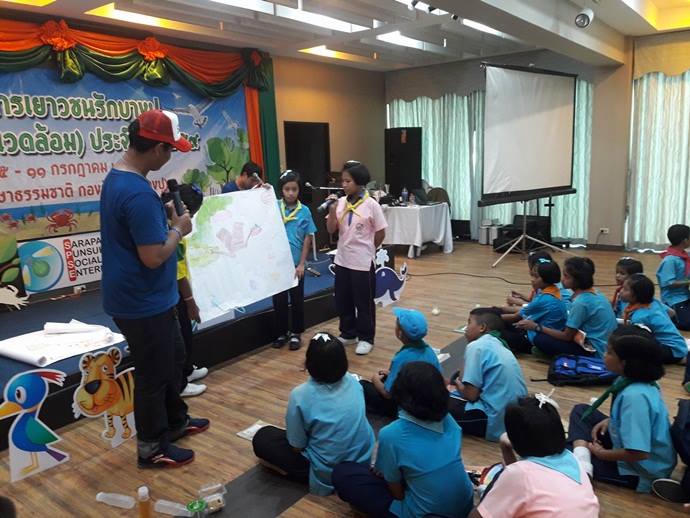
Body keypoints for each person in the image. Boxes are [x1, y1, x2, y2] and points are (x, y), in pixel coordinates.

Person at [100, 109, 209, 468]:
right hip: (141, 302)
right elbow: (153, 256)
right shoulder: (136, 193)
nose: (171, 157)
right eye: (171, 150)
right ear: (158, 148)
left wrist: (164, 221)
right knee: (153, 375)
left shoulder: (119, 179)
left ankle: (175, 422)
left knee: (173, 359)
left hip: (150, 298)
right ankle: (151, 447)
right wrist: (179, 228)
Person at [332, 362, 474, 518]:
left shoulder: (392, 434)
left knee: (343, 473)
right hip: (465, 505)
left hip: (426, 514)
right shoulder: (449, 420)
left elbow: (395, 488)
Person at [252, 332, 374, 495]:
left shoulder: (300, 395)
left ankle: (294, 473)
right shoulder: (353, 381)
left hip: (329, 468)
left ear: (309, 362)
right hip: (362, 457)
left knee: (263, 436)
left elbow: (297, 446)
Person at [568, 325, 677, 493]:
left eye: (609, 352)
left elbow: (639, 453)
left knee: (562, 449)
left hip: (639, 470)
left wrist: (602, 454)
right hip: (629, 445)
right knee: (581, 411)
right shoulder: (636, 380)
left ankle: (584, 468)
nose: (604, 355)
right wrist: (610, 420)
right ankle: (583, 458)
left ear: (625, 363)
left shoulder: (635, 397)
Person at [469, 397, 599, 518]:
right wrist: (506, 448)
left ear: (515, 438)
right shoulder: (571, 458)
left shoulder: (521, 474)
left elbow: (477, 516)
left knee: (497, 480)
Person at [326, 161, 387, 356]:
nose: (343, 185)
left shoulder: (371, 205)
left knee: (364, 302)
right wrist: (331, 211)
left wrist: (369, 249)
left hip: (362, 262)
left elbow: (380, 233)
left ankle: (366, 337)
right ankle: (348, 333)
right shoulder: (340, 203)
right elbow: (331, 229)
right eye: (342, 181)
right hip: (342, 260)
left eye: (348, 181)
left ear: (359, 182)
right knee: (343, 299)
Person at [449, 308, 528, 441]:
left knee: (433, 402)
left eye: (469, 323)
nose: (466, 328)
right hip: (514, 417)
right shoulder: (498, 343)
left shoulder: (477, 346)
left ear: (482, 327)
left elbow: (471, 395)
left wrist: (457, 383)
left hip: (493, 419)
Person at [161, 183, 208, 398]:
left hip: (174, 291)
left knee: (186, 332)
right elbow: (178, 274)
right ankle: (180, 383)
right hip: (173, 293)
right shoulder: (173, 234)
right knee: (179, 337)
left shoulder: (168, 223)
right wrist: (190, 302)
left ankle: (187, 371)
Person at [518, 257, 617, 358]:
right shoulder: (597, 293)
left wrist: (536, 326)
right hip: (605, 346)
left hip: (595, 352)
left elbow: (567, 336)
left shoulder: (581, 302)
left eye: (566, 276)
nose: (562, 279)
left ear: (577, 280)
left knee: (541, 339)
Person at [360, 307, 440, 418]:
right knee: (386, 378)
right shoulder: (429, 351)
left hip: (408, 408)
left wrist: (375, 379)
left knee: (363, 386)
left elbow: (387, 394)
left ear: (400, 333)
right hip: (429, 402)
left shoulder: (401, 357)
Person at [272, 170, 317, 350]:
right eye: (287, 189)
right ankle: (281, 332)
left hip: (295, 265)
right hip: (277, 264)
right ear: (281, 190)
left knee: (297, 300)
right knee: (279, 300)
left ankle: (296, 333)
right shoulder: (273, 207)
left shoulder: (304, 211)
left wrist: (302, 264)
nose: (291, 193)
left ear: (299, 190)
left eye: (294, 189)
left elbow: (307, 238)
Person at [501, 258, 568, 354]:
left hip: (534, 337)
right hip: (542, 330)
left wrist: (491, 316)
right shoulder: (553, 290)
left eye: (536, 277)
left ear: (546, 279)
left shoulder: (545, 298)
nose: (532, 279)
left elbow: (515, 316)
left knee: (496, 331)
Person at [620, 273, 688, 364]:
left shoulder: (639, 317)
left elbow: (639, 341)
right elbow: (672, 313)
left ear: (636, 295)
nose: (621, 291)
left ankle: (678, 359)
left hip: (670, 350)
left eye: (625, 289)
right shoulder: (654, 302)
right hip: (679, 345)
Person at [505, 251, 572, 309]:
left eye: (530, 267)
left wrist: (518, 302)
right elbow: (534, 301)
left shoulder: (549, 289)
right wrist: (521, 296)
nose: (529, 271)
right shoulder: (545, 283)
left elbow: (538, 307)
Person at [657, 224, 690, 330]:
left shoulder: (684, 256)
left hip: (685, 296)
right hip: (674, 300)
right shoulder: (670, 260)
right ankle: (667, 316)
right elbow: (669, 283)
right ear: (685, 240)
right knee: (687, 324)